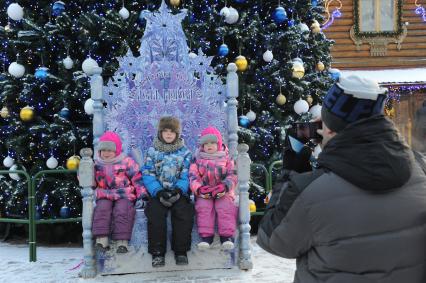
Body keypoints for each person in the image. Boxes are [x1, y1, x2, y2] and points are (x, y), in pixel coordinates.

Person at [257, 75, 426, 283]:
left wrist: (291, 173)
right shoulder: (419, 170)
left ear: (328, 128)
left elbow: (273, 239)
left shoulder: (309, 190)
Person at [142, 116, 194, 267]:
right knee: (155, 214)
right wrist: (157, 192)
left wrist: (179, 190)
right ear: (160, 133)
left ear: (177, 134)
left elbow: (186, 174)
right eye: (165, 131)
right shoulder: (152, 151)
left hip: (178, 192)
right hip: (158, 193)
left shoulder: (185, 152)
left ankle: (181, 252)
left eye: (172, 131)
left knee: (184, 213)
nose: (169, 134)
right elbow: (148, 173)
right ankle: (157, 252)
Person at [92, 131, 147, 254]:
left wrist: (142, 195)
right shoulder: (96, 164)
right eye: (103, 150)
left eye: (110, 150)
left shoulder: (126, 161)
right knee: (102, 209)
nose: (106, 153)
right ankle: (102, 240)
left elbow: (137, 178)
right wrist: (83, 171)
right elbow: (91, 181)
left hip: (124, 194)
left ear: (116, 151)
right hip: (104, 194)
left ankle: (122, 241)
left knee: (123, 210)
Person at [189, 126, 238, 250]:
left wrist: (225, 186)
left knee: (225, 206)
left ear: (219, 143)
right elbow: (193, 176)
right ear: (202, 146)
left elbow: (232, 174)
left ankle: (226, 237)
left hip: (223, 191)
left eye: (212, 143)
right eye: (206, 143)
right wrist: (199, 189)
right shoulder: (198, 159)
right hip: (205, 191)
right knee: (203, 207)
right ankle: (206, 237)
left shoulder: (227, 158)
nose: (209, 146)